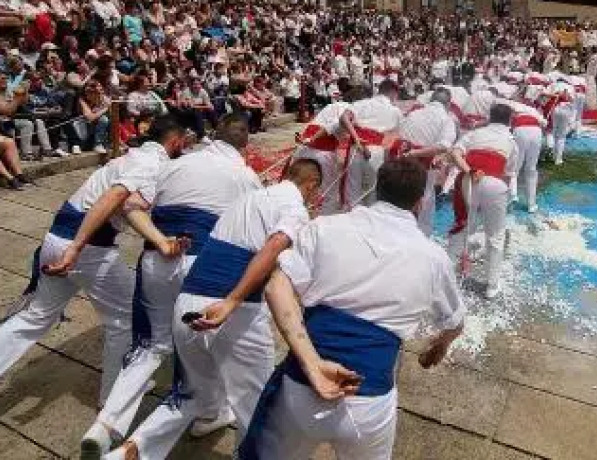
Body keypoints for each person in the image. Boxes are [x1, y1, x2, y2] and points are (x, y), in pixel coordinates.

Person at [0, 116, 189, 420]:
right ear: (175, 141)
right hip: (86, 248)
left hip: (56, 237)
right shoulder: (151, 164)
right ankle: (112, 399)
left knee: (35, 316)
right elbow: (118, 199)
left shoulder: (131, 156)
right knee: (124, 318)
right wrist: (79, 248)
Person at [238, 158, 465, 460]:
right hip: (369, 400)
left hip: (301, 384)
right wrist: (439, 346)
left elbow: (276, 287)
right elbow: (455, 321)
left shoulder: (324, 228)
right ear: (420, 203)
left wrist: (313, 363)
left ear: (377, 190)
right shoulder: (434, 259)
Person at [104, 159, 322, 460]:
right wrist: (232, 300)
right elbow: (274, 246)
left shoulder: (246, 199)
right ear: (311, 185)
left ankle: (133, 449)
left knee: (190, 394)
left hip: (188, 301)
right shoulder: (295, 209)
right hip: (232, 310)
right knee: (258, 404)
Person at [80, 115, 261, 458]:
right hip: (202, 266)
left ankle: (104, 424)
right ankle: (188, 421)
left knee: (150, 346)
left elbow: (130, 205)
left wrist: (162, 241)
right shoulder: (247, 177)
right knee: (204, 349)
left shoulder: (173, 165)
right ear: (245, 144)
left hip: (158, 257)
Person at [448, 104, 518, 299]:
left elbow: (455, 153)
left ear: (490, 118)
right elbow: (509, 174)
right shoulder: (511, 141)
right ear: (509, 120)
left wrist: (469, 171)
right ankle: (491, 286)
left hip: (468, 180)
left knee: (463, 227)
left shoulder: (474, 134)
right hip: (495, 183)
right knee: (495, 235)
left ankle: (448, 274)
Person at [396, 88, 457, 235]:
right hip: (422, 166)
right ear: (448, 104)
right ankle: (421, 236)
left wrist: (409, 153)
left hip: (404, 162)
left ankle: (401, 231)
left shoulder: (414, 114)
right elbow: (444, 145)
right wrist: (416, 153)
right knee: (425, 202)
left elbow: (400, 135)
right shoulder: (446, 119)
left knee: (403, 198)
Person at [344, 80, 403, 208]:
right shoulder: (395, 111)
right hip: (376, 151)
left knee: (353, 194)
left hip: (356, 148)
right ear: (393, 93)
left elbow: (344, 118)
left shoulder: (361, 104)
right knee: (372, 195)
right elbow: (396, 139)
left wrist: (357, 139)